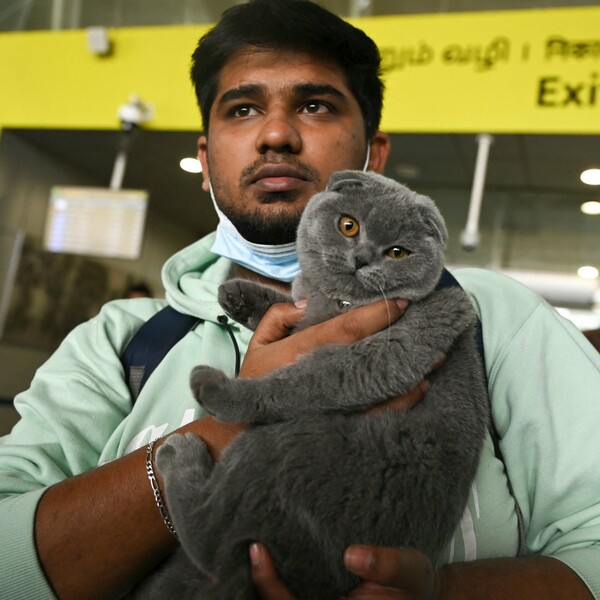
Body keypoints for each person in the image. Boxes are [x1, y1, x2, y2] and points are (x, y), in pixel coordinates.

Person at [1, 1, 599, 598]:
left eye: (316, 106)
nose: (277, 134)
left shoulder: (488, 317)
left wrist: (445, 593)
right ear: (206, 161)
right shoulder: (121, 343)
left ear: (375, 158)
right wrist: (228, 427)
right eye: (243, 108)